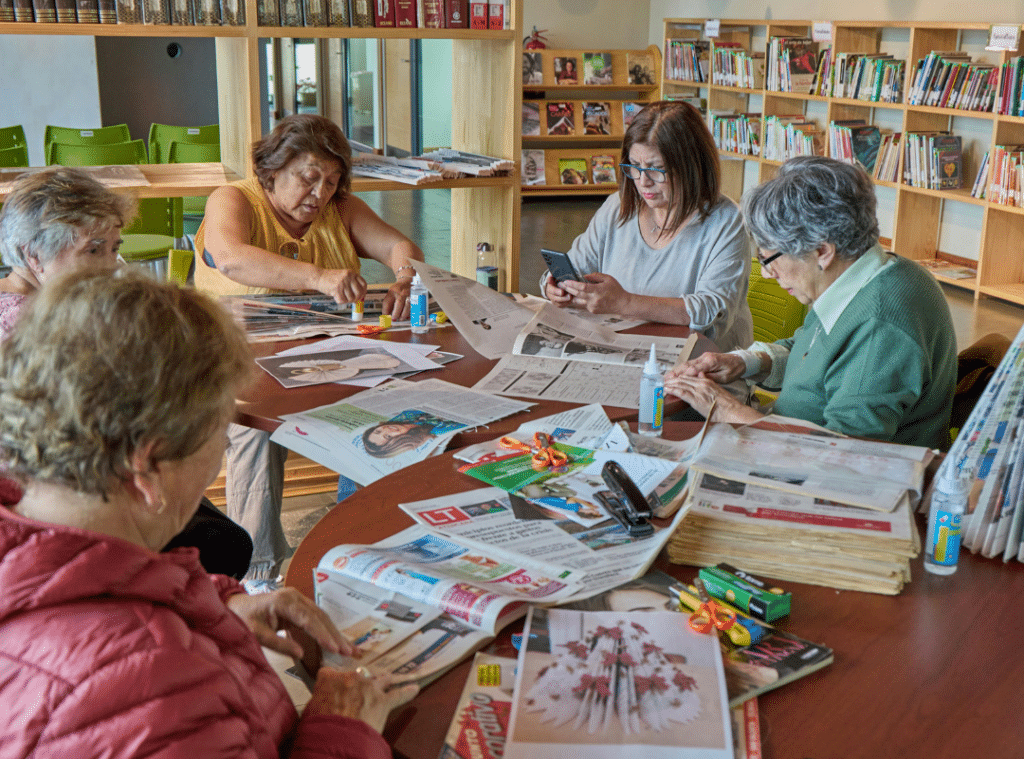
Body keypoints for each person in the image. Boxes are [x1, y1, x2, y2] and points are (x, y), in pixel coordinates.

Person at [0, 269, 416, 757]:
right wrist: (340, 729)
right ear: (148, 468)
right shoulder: (150, 687)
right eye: (219, 431)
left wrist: (212, 609)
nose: (222, 453)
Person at [195, 114, 427, 589]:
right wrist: (319, 278)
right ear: (272, 170)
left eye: (332, 181)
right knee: (257, 425)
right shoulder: (235, 198)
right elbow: (231, 256)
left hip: (326, 355)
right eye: (308, 178)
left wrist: (406, 277)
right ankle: (255, 573)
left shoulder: (339, 210)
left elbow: (400, 246)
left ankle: (359, 541)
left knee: (393, 400)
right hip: (239, 359)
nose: (319, 194)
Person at [0, 166, 253, 579]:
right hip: (63, 495)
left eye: (114, 247)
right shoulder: (37, 324)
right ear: (33, 256)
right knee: (224, 543)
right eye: (93, 249)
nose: (112, 266)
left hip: (57, 489)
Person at [665, 156, 958, 449]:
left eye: (769, 259)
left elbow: (841, 453)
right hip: (786, 438)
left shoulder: (880, 328)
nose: (767, 275)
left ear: (822, 251)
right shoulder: (868, 274)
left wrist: (726, 409)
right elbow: (814, 351)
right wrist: (744, 362)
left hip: (823, 470)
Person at [542, 101, 753, 353]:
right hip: (625, 349)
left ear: (691, 166)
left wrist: (625, 303)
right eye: (634, 166)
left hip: (700, 365)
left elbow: (712, 311)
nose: (643, 182)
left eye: (656, 169)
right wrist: (553, 286)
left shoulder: (725, 221)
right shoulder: (617, 206)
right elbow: (576, 267)